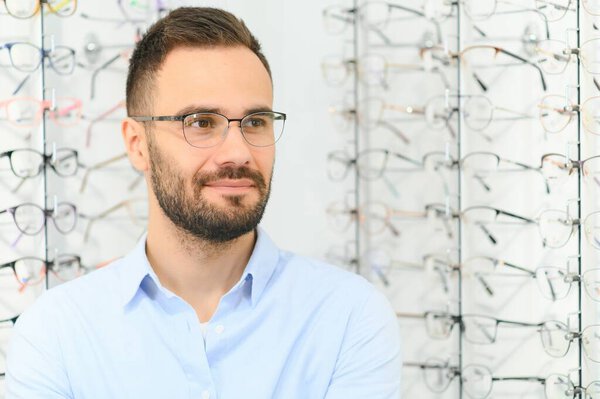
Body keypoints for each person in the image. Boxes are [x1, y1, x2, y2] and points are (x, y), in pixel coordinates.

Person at [6, 7, 401, 399]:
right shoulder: (57, 332)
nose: (239, 152)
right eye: (201, 122)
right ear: (137, 144)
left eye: (255, 122)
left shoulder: (348, 317)